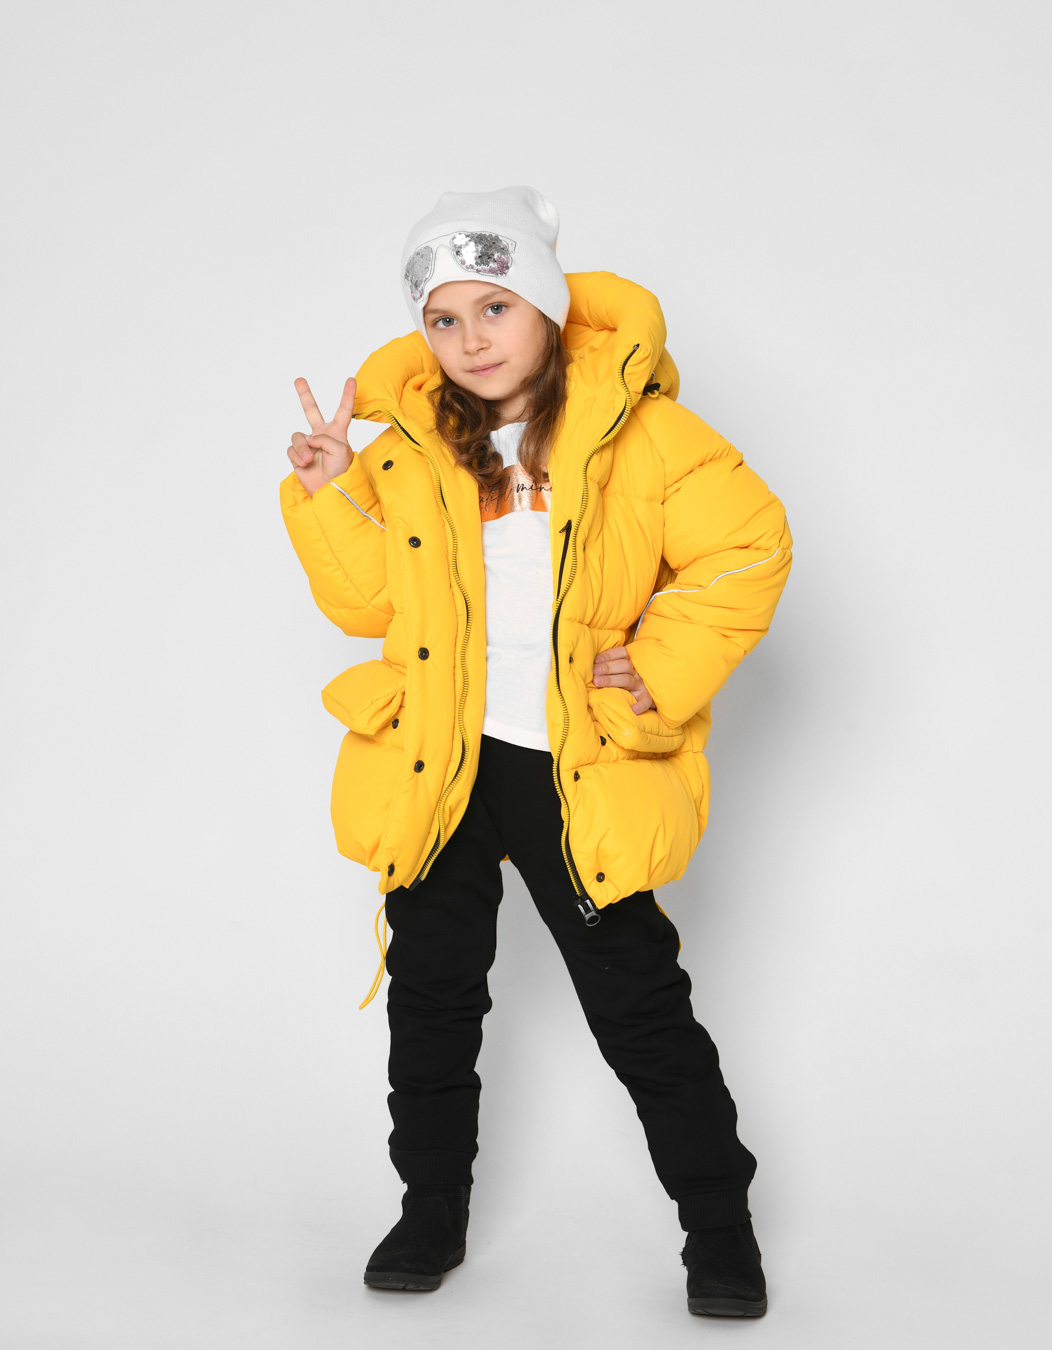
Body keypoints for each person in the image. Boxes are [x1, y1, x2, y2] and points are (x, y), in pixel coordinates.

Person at [280, 186, 792, 1319]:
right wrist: (328, 496)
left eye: (495, 307)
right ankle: (430, 1210)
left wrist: (657, 664)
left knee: (638, 1004)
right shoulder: (408, 451)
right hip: (442, 760)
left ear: (549, 307)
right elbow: (369, 606)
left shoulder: (640, 434)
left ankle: (719, 1227)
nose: (470, 339)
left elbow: (748, 547)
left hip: (574, 764)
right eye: (443, 319)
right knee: (431, 999)